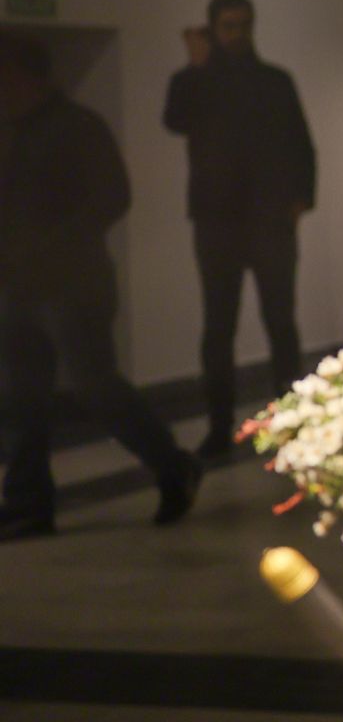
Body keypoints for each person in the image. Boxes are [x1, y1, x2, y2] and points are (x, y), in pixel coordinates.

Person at [0, 31, 199, 540]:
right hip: (19, 287)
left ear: (25, 75)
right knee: (21, 398)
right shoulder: (14, 132)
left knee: (95, 385)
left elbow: (112, 196)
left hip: (73, 285)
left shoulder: (78, 126)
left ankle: (172, 464)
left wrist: (51, 245)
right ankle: (28, 505)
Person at [162, 0, 315, 458]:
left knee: (280, 323)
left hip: (270, 220)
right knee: (218, 328)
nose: (238, 34)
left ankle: (292, 419)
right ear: (213, 28)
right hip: (217, 223)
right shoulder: (194, 81)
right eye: (229, 26)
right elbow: (175, 120)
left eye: (244, 24)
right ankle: (217, 426)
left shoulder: (274, 81)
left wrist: (300, 202)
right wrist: (197, 67)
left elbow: (301, 144)